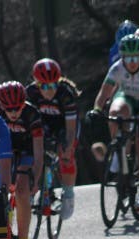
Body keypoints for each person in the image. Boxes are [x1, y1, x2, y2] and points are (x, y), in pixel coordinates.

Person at [91, 34, 139, 211]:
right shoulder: (117, 68)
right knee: (115, 112)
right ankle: (118, 149)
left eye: (136, 57)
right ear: (122, 56)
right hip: (128, 98)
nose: (132, 62)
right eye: (128, 58)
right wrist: (97, 109)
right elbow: (104, 93)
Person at [0, 80, 43, 239]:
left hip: (27, 153)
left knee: (22, 191)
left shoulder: (32, 114)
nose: (14, 112)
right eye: (9, 108)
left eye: (18, 108)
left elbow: (39, 152)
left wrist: (36, 180)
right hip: (4, 153)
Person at [26, 58, 80, 220]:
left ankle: (69, 194)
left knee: (66, 154)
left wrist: (68, 146)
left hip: (65, 125)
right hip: (43, 124)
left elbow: (71, 129)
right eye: (44, 86)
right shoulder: (30, 93)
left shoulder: (66, 94)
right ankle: (42, 188)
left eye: (53, 85)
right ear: (36, 83)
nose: (49, 91)